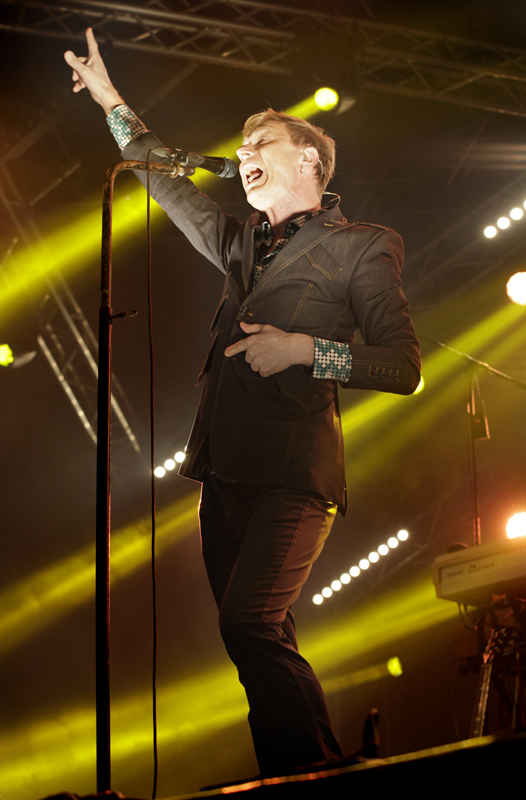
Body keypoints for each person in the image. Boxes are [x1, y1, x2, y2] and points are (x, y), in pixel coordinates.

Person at [64, 29, 421, 778]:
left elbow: (402, 367)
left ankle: (318, 767)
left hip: (293, 477)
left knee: (250, 623)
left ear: (309, 160)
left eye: (261, 141)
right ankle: (290, 771)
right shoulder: (241, 245)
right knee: (256, 639)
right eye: (242, 143)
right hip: (222, 477)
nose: (244, 151)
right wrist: (111, 101)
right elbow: (168, 184)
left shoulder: (364, 245)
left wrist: (305, 350)